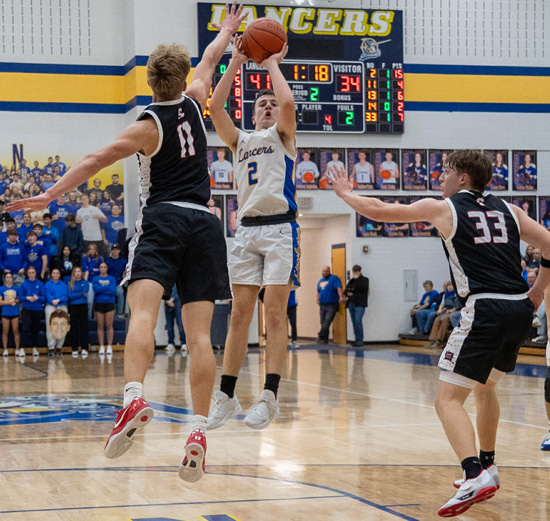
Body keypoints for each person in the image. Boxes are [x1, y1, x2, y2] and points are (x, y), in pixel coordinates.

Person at [7, 2, 242, 484]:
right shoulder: (196, 98)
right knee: (200, 337)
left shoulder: (146, 125)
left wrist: (50, 194)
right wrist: (227, 30)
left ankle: (133, 397)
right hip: (205, 224)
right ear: (181, 78)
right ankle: (199, 430)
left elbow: (95, 159)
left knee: (142, 315)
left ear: (150, 82)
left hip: (164, 219)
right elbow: (210, 59)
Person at [330, 149, 550, 517]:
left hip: (485, 308)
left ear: (462, 177)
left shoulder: (445, 208)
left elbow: (380, 211)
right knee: (485, 387)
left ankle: (473, 474)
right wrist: (537, 292)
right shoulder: (511, 210)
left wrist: (345, 193)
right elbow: (549, 244)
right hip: (518, 309)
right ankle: (488, 464)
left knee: (446, 400)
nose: (440, 178)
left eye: (446, 171)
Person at [206, 34, 299, 432]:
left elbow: (289, 105)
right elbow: (213, 107)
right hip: (245, 231)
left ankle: (269, 396)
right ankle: (226, 395)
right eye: (261, 103)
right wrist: (236, 61)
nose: (268, 106)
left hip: (279, 229)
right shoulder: (240, 140)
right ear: (252, 111)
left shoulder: (284, 136)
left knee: (274, 314)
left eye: (271, 103)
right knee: (239, 315)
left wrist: (272, 62)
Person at [20, 267, 45, 357]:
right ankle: (22, 348)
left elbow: (44, 298)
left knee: (35, 329)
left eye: (33, 272)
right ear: (27, 274)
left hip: (37, 309)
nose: (31, 274)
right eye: (29, 273)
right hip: (26, 309)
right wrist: (27, 297)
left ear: (35, 273)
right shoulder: (24, 284)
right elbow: (20, 297)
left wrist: (37, 298)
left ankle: (34, 348)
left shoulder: (40, 284)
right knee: (25, 328)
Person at [93, 262, 116, 357]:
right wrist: (106, 287)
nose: (103, 268)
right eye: (101, 267)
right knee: (100, 325)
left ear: (107, 268)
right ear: (99, 268)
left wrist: (101, 288)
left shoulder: (111, 279)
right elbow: (95, 290)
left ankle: (109, 346)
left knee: (109, 324)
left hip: (109, 303)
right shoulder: (95, 279)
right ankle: (101, 346)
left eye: (104, 267)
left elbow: (112, 291)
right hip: (99, 303)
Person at [317, 266, 344, 344]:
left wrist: (341, 296)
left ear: (329, 272)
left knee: (327, 321)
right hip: (322, 304)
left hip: (332, 304)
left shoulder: (334, 278)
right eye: (323, 271)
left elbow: (339, 288)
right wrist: (317, 299)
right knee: (322, 322)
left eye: (326, 271)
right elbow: (318, 292)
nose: (325, 272)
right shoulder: (320, 281)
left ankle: (320, 335)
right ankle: (324, 340)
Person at [45, 267, 68, 356]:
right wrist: (56, 304)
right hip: (51, 305)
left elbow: (65, 296)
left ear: (60, 275)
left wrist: (58, 301)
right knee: (51, 326)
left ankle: (59, 347)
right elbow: (48, 295)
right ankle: (51, 347)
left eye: (57, 273)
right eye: (54, 273)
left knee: (62, 326)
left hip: (62, 305)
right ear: (51, 275)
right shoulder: (48, 284)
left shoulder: (63, 284)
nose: (55, 275)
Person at [344, 265, 369, 347]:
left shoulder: (365, 280)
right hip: (351, 303)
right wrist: (347, 294)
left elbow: (362, 287)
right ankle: (357, 339)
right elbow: (346, 289)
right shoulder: (351, 281)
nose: (355, 273)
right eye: (354, 271)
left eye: (357, 271)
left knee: (358, 321)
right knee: (354, 322)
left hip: (360, 304)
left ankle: (360, 340)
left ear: (360, 271)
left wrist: (357, 279)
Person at [68, 266, 90, 358]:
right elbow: (70, 296)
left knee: (84, 327)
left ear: (81, 273)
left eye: (79, 271)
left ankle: (84, 348)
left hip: (83, 306)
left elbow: (86, 291)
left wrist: (76, 294)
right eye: (75, 271)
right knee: (74, 327)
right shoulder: (70, 284)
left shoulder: (85, 283)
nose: (77, 273)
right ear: (73, 273)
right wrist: (81, 294)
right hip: (73, 306)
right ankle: (74, 348)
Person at [0, 272, 21, 357]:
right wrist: (8, 302)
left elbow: (19, 300)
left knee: (16, 330)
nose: (9, 279)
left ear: (12, 279)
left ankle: (17, 349)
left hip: (15, 312)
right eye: (7, 277)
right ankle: (5, 349)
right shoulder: (1, 289)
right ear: (5, 279)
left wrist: (15, 301)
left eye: (10, 277)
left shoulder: (17, 288)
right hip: (5, 312)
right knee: (5, 331)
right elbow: (0, 302)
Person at [82, 243, 103, 319]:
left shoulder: (99, 259)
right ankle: (89, 318)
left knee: (99, 301)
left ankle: (97, 318)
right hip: (89, 281)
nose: (92, 250)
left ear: (96, 250)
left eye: (93, 249)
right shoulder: (85, 258)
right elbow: (84, 268)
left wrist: (90, 270)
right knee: (90, 301)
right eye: (90, 249)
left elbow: (101, 270)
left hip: (98, 281)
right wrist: (94, 270)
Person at [164, 284, 187, 353]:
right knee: (169, 325)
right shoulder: (166, 279)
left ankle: (184, 343)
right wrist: (167, 300)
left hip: (178, 301)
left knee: (180, 324)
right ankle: (171, 343)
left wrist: (173, 298)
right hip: (167, 303)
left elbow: (182, 288)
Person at [105, 244, 127, 316]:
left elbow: (126, 272)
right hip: (108, 283)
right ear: (111, 251)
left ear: (119, 251)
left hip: (118, 282)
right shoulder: (107, 261)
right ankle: (110, 312)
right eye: (113, 250)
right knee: (109, 293)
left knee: (120, 292)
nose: (115, 251)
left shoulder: (123, 261)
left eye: (116, 250)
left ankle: (120, 313)